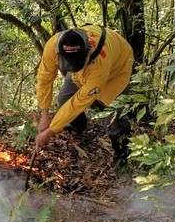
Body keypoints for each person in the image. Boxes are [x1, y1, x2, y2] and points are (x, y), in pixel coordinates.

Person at [35, 25, 134, 169]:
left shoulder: (99, 63)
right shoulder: (54, 46)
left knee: (112, 120)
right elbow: (44, 79)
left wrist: (50, 131)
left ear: (88, 52)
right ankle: (78, 126)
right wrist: (44, 114)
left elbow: (77, 103)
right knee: (64, 98)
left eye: (77, 64)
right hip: (81, 66)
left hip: (116, 69)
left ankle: (122, 156)